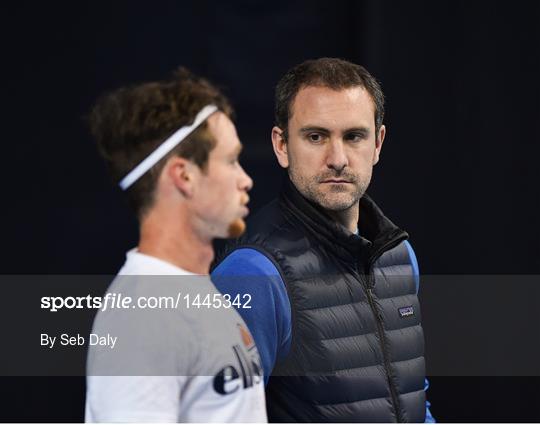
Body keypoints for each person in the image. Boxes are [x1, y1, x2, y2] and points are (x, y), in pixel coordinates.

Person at [212, 58, 434, 422]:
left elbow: (413, 402)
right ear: (282, 145)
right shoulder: (252, 274)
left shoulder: (399, 256)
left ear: (377, 143)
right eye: (316, 137)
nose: (337, 159)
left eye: (354, 136)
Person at [85, 67, 267, 422]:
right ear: (183, 175)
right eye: (231, 160)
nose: (246, 179)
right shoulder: (141, 316)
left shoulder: (190, 291)